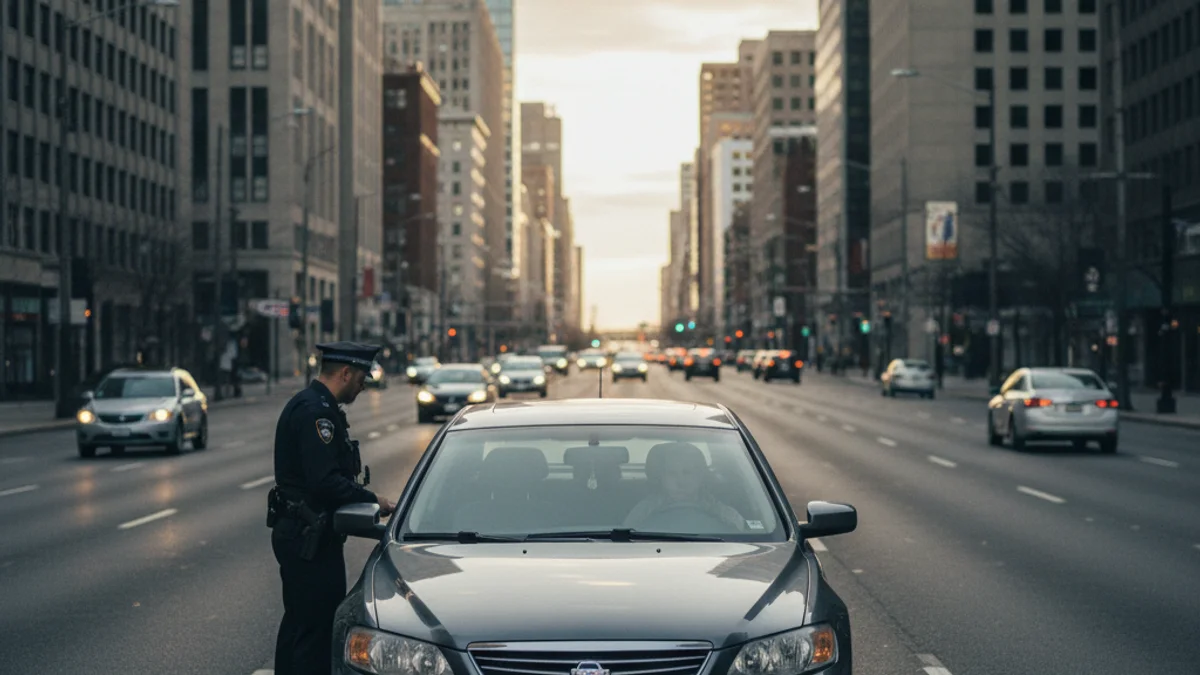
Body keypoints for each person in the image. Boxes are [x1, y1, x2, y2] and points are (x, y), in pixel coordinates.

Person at [269, 341, 396, 675]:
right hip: (308, 538)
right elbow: (324, 482)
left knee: (299, 624)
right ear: (345, 373)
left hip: (303, 532)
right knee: (315, 630)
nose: (364, 384)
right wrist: (373, 501)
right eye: (361, 377)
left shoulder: (313, 405)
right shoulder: (317, 413)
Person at [625, 442, 745, 532]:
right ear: (662, 478)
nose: (680, 481)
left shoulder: (720, 511)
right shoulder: (645, 509)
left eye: (687, 473)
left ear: (700, 475)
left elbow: (742, 530)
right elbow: (627, 535)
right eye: (672, 473)